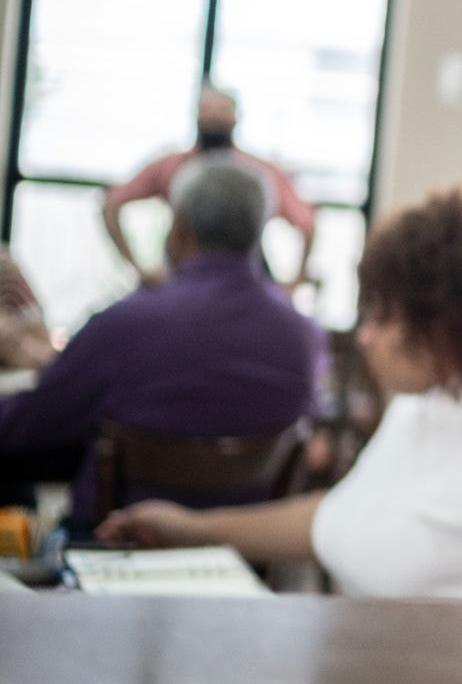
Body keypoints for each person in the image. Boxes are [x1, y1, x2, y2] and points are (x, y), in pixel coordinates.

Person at [100, 188, 462, 602]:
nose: (364, 338)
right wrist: (192, 529)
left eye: (385, 318)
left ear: (452, 328)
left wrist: (427, 658)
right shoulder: (423, 407)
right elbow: (341, 517)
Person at [0, 157, 322, 520]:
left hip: (116, 545)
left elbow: (29, 421)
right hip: (241, 557)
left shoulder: (125, 323)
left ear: (179, 229)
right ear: (257, 231)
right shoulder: (305, 338)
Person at [103, 82, 318, 288]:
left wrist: (294, 282)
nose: (214, 119)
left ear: (235, 118)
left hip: (246, 285)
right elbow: (111, 204)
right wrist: (138, 269)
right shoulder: (170, 167)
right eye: (208, 112)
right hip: (180, 281)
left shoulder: (260, 173)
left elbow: (307, 222)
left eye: (221, 113)